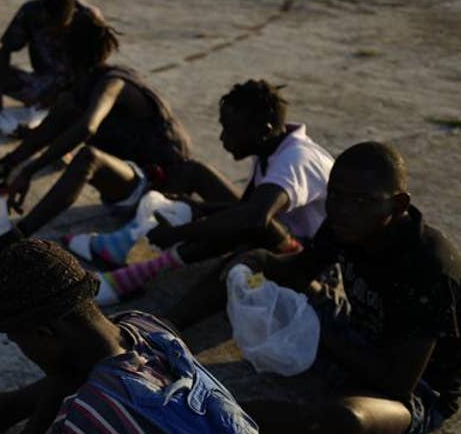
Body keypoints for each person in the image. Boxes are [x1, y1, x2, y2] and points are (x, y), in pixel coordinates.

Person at [0, 9, 225, 277]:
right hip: (130, 186)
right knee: (66, 107)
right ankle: (6, 166)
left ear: (69, 53)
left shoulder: (113, 82)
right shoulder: (83, 85)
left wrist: (32, 169)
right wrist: (24, 168)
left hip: (158, 187)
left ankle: (10, 242)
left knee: (88, 157)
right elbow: (54, 125)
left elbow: (88, 126)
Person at [237, 142, 461, 434]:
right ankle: (171, 329)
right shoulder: (345, 223)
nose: (343, 209)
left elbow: (397, 383)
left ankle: (219, 417)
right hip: (360, 335)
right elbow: (298, 272)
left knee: (346, 418)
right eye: (335, 195)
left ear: (398, 205)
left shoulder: (428, 266)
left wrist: (316, 332)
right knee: (242, 267)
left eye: (363, 200)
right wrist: (259, 262)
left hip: (423, 391)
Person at [0, 238, 260, 434]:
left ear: (44, 333)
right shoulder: (146, 325)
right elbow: (66, 377)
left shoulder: (83, 424)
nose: (22, 350)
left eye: (17, 341)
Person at [78, 80, 334, 308]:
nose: (223, 138)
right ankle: (131, 247)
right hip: (284, 236)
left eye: (231, 130)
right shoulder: (272, 146)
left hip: (317, 268)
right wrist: (198, 209)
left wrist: (180, 233)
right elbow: (247, 207)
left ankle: (171, 318)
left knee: (248, 239)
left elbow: (254, 218)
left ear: (264, 131)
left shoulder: (296, 159)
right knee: (195, 174)